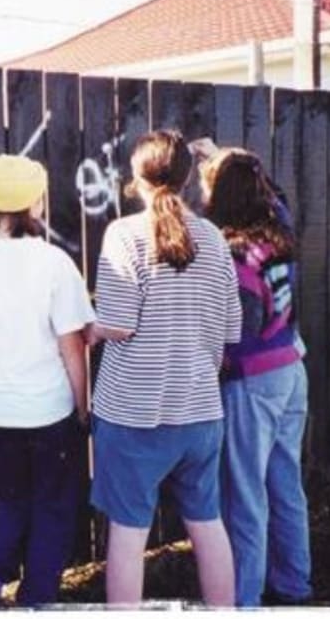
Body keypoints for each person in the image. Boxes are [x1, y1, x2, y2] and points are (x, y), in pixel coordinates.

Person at [88, 129, 240, 607]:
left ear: (136, 177)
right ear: (186, 175)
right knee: (208, 525)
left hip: (135, 416)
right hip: (200, 413)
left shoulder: (124, 234)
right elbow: (230, 328)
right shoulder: (215, 238)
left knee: (129, 537)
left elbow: (118, 323)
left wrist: (91, 330)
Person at [0, 154, 96, 607]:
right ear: (35, 204)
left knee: (10, 498)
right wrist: (83, 407)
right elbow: (73, 347)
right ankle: (36, 600)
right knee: (51, 505)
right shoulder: (53, 262)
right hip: (48, 410)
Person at [201, 147, 313, 607]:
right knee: (285, 483)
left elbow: (240, 329)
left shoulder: (234, 253)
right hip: (292, 369)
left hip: (254, 380)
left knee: (245, 494)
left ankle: (243, 599)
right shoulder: (280, 231)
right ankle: (293, 583)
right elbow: (278, 194)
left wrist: (218, 362)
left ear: (221, 197)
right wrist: (227, 156)